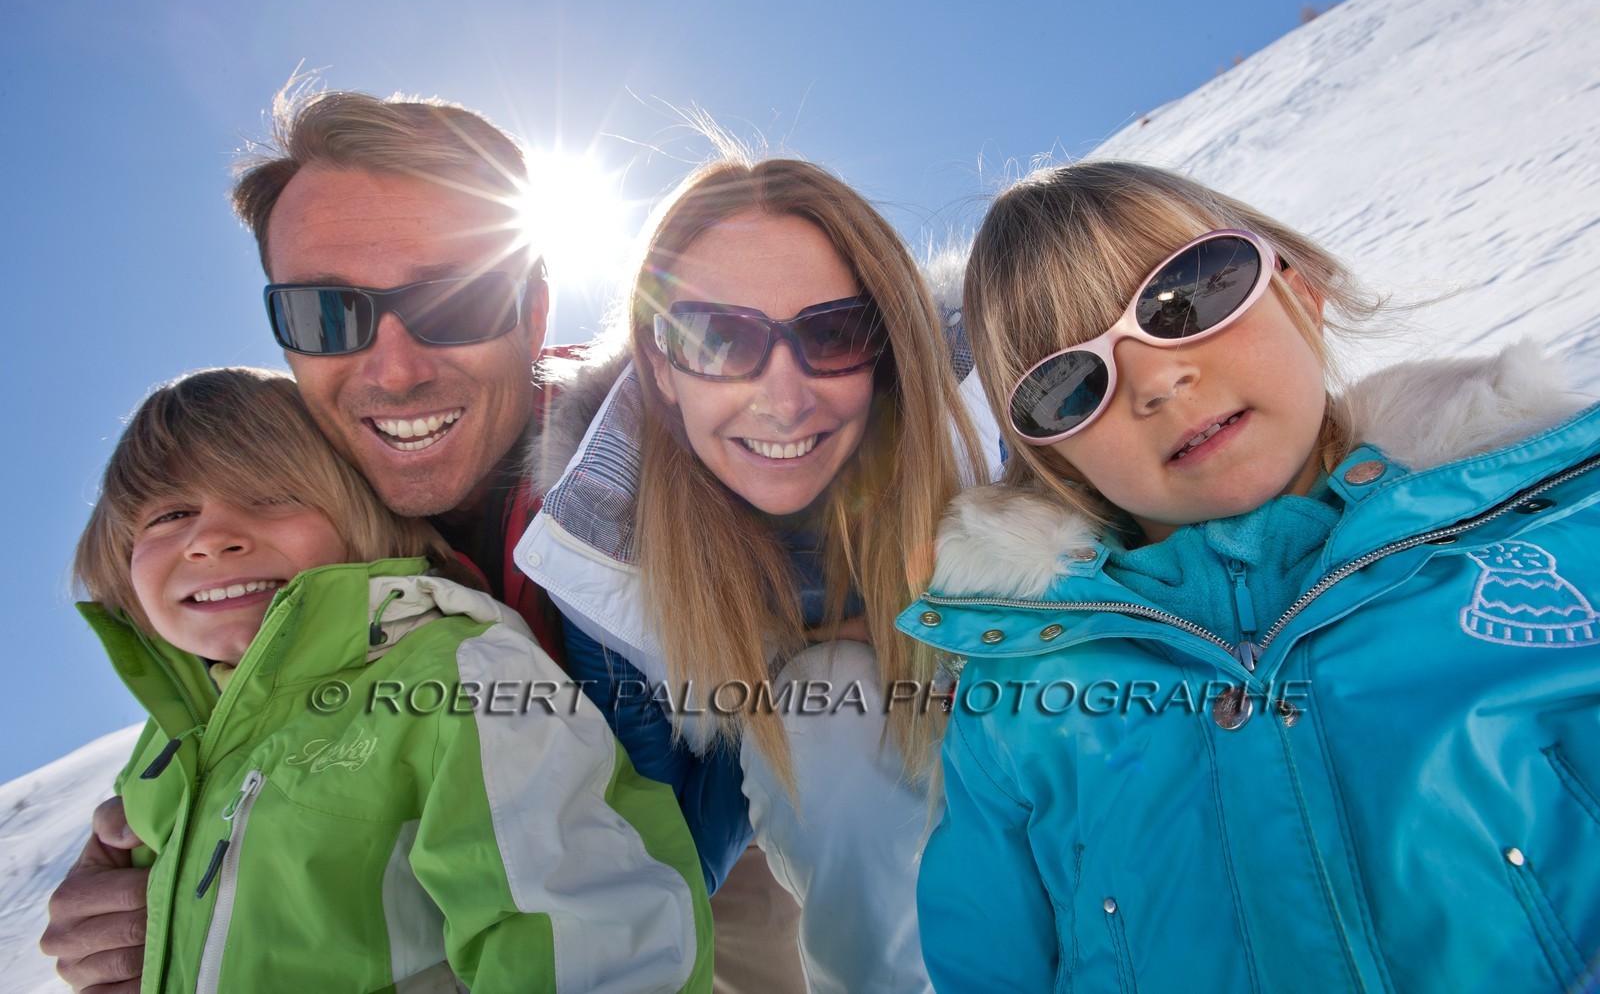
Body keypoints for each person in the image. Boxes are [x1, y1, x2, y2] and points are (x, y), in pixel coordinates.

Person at [42, 86, 797, 993]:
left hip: (711, 852)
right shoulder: (286, 507)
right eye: (329, 314)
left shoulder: (675, 472)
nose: (395, 370)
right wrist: (156, 854)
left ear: (534, 312)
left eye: (460, 299)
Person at [899, 160, 1600, 991]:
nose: (1157, 382)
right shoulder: (1023, 700)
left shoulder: (1563, 537)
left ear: (1301, 292)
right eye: (1070, 385)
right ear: (1057, 457)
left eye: (1191, 296)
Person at [517, 155, 995, 993]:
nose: (783, 397)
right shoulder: (611, 548)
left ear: (887, 346)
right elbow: (676, 856)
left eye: (835, 331)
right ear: (660, 365)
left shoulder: (1002, 402)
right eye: (717, 338)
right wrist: (769, 685)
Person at [72, 366, 711, 992]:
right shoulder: (168, 741)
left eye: (270, 497)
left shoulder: (460, 678)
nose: (210, 540)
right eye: (168, 515)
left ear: (358, 512)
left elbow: (589, 934)